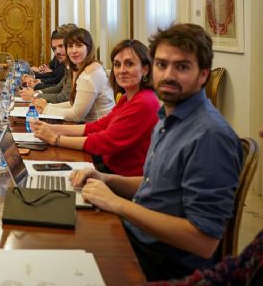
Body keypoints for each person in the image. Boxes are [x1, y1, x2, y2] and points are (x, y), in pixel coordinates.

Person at [70, 23, 243, 281]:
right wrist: (107, 180)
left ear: (203, 74)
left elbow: (203, 241)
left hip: (166, 260)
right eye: (162, 65)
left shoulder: (210, 135)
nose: (168, 75)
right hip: (140, 235)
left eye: (182, 66)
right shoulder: (167, 117)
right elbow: (157, 183)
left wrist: (116, 204)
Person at [32, 39, 160, 176]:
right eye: (117, 65)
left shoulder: (145, 102)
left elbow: (105, 141)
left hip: (122, 176)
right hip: (108, 164)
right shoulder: (127, 98)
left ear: (145, 69)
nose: (122, 70)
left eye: (129, 64)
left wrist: (55, 139)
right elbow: (98, 126)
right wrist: (52, 128)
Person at [37, 28, 114, 122]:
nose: (74, 50)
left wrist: (46, 109)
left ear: (88, 48)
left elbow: (76, 115)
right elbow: (74, 104)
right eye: (70, 46)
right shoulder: (82, 68)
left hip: (99, 130)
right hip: (88, 126)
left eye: (79, 45)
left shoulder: (90, 74)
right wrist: (48, 106)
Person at [21, 24, 75, 89]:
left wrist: (36, 84)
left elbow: (59, 89)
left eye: (61, 46)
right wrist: (34, 77)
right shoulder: (62, 59)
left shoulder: (76, 66)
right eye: (54, 48)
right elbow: (57, 82)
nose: (57, 51)